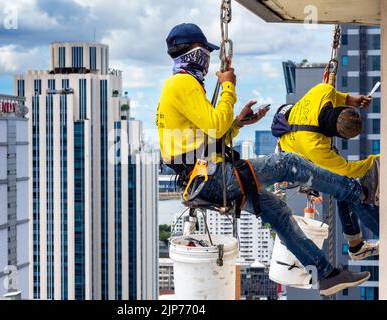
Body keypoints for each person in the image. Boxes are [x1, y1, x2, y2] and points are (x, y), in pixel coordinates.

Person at [156, 23, 374, 296]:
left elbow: (208, 137)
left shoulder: (180, 84)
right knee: (288, 164)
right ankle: (359, 193)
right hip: (211, 177)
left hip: (204, 178)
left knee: (279, 214)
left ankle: (326, 274)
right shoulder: (183, 83)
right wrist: (227, 87)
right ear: (197, 53)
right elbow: (215, 124)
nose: (210, 59)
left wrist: (237, 124)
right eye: (207, 53)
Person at [275, 82, 380, 260]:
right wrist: (375, 160)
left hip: (296, 136)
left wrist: (351, 100)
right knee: (350, 190)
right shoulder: (315, 146)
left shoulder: (325, 90)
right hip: (294, 164)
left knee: (344, 191)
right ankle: (379, 230)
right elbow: (349, 170)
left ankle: (356, 246)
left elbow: (336, 96)